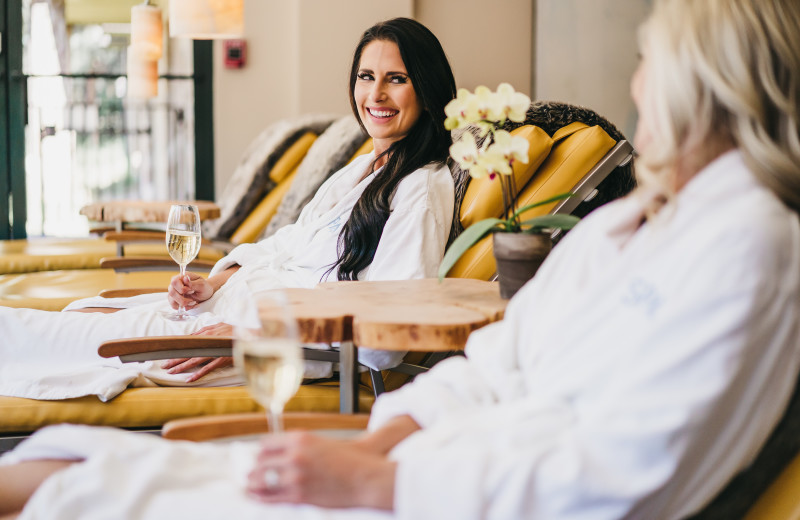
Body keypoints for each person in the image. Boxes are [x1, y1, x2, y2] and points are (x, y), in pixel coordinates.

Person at [2, 0, 800, 517]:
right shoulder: (634, 226)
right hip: (413, 455)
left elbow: (625, 470)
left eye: (648, 63)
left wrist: (385, 479)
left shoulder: (751, 247)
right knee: (69, 454)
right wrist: (377, 446)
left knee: (90, 481)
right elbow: (493, 364)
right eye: (367, 76)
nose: (634, 84)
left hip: (445, 485)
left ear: (707, 82)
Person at [0, 18, 458, 400]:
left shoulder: (420, 189)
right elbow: (284, 245)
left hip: (243, 343)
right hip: (223, 314)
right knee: (79, 313)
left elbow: (389, 341)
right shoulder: (365, 168)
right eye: (365, 76)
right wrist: (214, 282)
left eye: (396, 79)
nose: (375, 94)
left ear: (427, 88)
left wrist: (257, 337)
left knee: (29, 338)